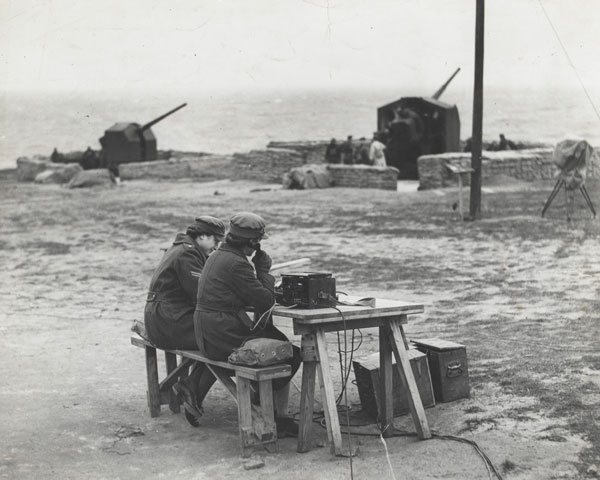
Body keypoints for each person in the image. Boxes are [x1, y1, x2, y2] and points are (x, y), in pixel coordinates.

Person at [194, 212, 302, 437]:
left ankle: (265, 403)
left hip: (210, 330)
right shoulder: (236, 263)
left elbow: (243, 295)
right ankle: (274, 414)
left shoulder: (218, 256)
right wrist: (263, 271)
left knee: (275, 339)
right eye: (257, 242)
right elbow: (265, 300)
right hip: (221, 335)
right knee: (291, 353)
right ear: (252, 242)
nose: (257, 247)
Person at [144, 215, 226, 425]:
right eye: (215, 240)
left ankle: (191, 387)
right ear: (201, 236)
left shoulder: (184, 248)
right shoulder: (188, 254)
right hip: (169, 323)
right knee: (226, 340)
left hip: (166, 318)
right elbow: (202, 295)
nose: (217, 245)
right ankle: (192, 389)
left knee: (223, 337)